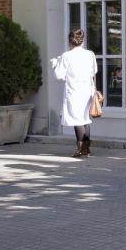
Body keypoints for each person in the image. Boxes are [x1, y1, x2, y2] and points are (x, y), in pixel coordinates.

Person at [51, 28, 98, 158]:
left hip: (74, 91)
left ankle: (81, 150)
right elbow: (94, 71)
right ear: (82, 40)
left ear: (69, 41)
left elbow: (58, 75)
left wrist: (55, 63)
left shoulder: (67, 56)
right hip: (88, 90)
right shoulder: (90, 54)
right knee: (85, 119)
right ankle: (86, 149)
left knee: (78, 120)